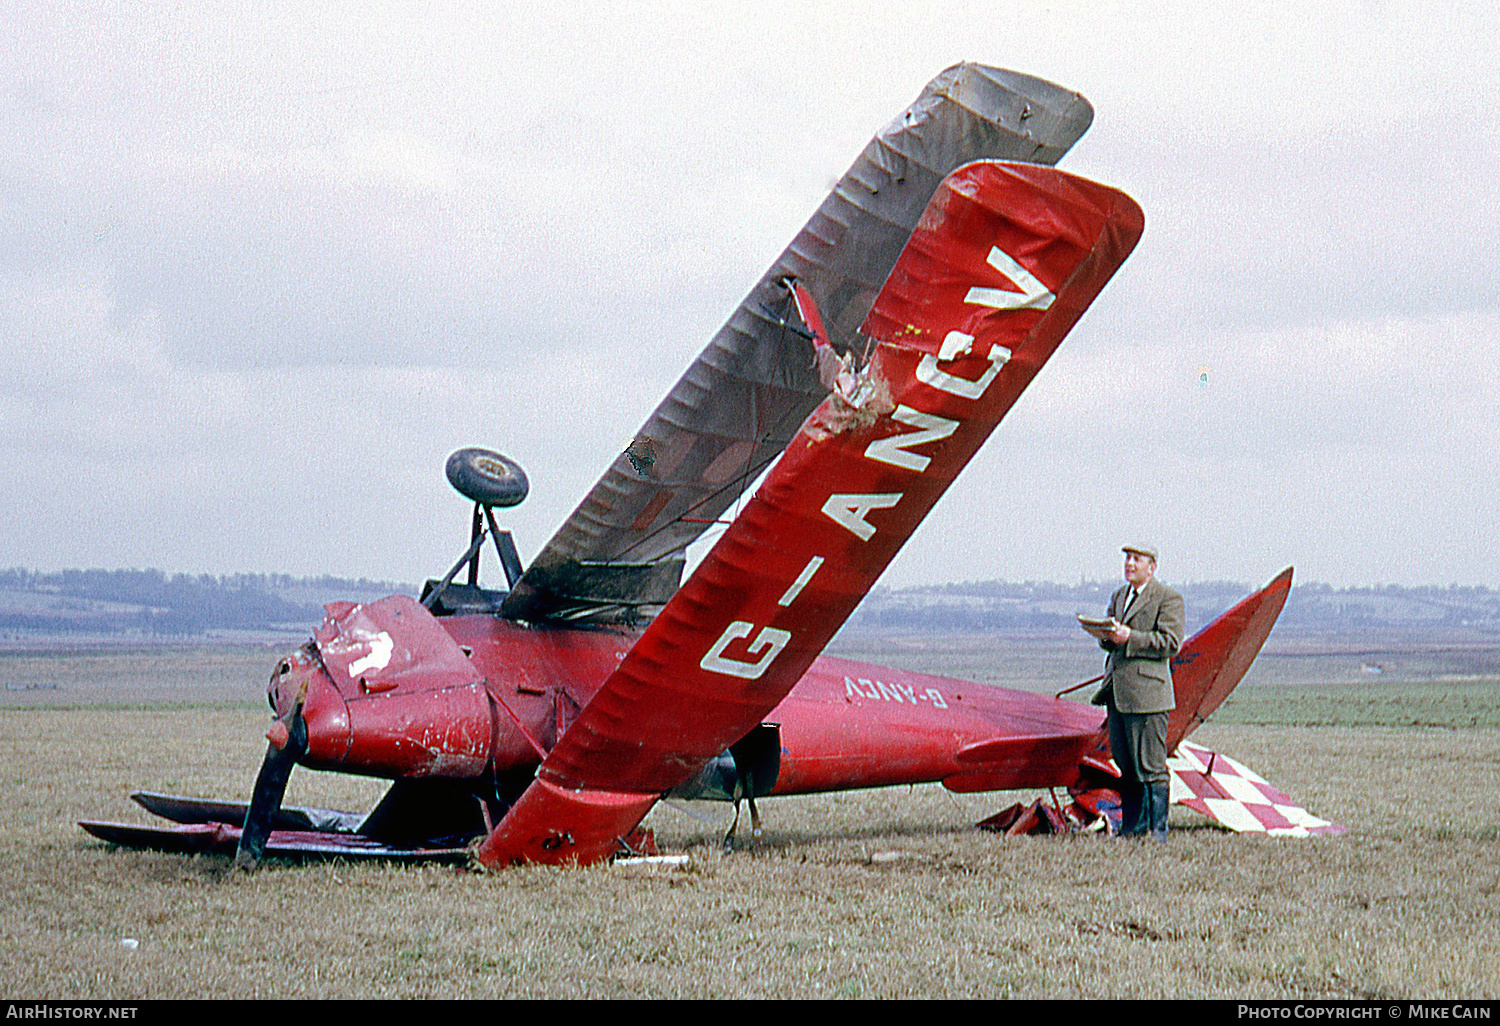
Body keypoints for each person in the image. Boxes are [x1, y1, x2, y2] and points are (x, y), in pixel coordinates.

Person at [1092, 545, 1184, 840]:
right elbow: (1111, 640)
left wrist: (1130, 636)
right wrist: (1105, 635)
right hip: (1118, 693)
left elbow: (1170, 642)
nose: (1129, 564)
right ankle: (1133, 830)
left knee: (1152, 766)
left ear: (1152, 566)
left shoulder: (1168, 598)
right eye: (1127, 558)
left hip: (1148, 696)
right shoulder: (1119, 596)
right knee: (1126, 764)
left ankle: (1158, 832)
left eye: (1136, 559)